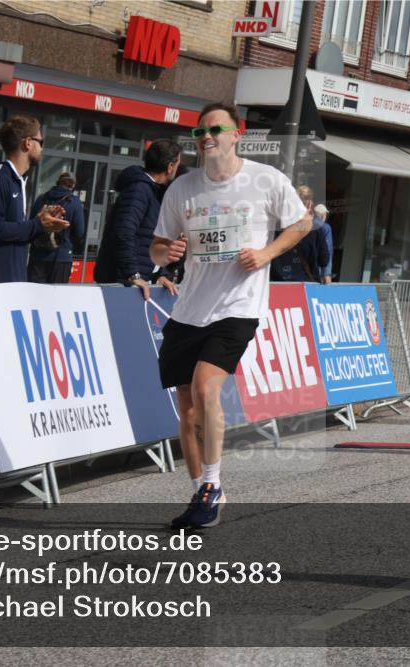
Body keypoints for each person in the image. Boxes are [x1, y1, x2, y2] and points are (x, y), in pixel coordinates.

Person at [150, 101, 310, 529]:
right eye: (200, 132)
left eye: (215, 129)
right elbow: (158, 247)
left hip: (239, 307)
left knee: (206, 389)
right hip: (189, 308)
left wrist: (266, 253)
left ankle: (212, 486)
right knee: (186, 412)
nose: (206, 137)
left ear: (236, 133)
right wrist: (169, 252)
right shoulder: (183, 189)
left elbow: (301, 224)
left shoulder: (265, 179)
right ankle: (202, 488)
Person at [0, 115, 68, 284]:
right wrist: (36, 224)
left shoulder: (19, 181)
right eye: (41, 142)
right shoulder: (0, 176)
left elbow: (15, 234)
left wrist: (42, 225)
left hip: (12, 284)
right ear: (28, 143)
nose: (42, 149)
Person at [95, 140, 182, 299]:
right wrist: (133, 275)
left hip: (138, 282)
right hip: (122, 283)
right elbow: (123, 232)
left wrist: (159, 274)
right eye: (177, 164)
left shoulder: (155, 192)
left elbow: (152, 238)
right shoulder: (139, 189)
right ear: (170, 167)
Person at [27, 172, 86, 284]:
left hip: (37, 256)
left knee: (34, 297)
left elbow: (31, 224)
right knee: (57, 297)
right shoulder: (75, 202)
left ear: (58, 182)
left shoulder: (41, 199)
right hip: (61, 257)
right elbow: (79, 232)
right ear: (72, 185)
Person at [270, 185, 328, 283]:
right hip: (307, 283)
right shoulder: (316, 229)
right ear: (310, 204)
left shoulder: (276, 226)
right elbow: (323, 260)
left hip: (276, 282)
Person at [314, 203, 334, 284]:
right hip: (321, 264)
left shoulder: (306, 225)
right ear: (323, 215)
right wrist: (327, 274)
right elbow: (327, 250)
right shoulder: (326, 227)